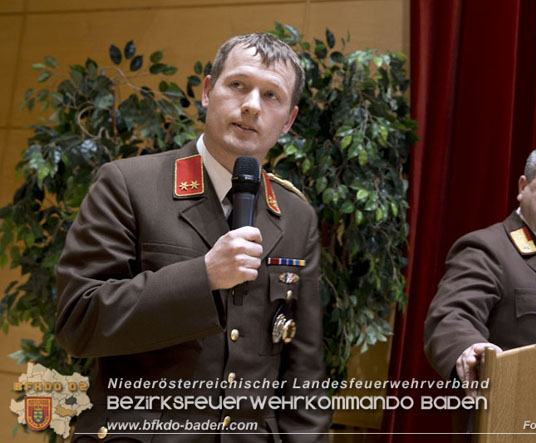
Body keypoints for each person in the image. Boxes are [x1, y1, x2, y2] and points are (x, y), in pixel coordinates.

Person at [56, 33, 330, 442]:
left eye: (271, 95)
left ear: (287, 120)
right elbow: (78, 322)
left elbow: (303, 369)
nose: (252, 105)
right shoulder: (129, 185)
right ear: (207, 91)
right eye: (238, 85)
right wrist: (201, 276)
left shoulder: (296, 216)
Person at [424, 145, 536, 396]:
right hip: (510, 418)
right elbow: (452, 317)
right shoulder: (489, 249)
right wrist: (469, 349)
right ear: (523, 187)